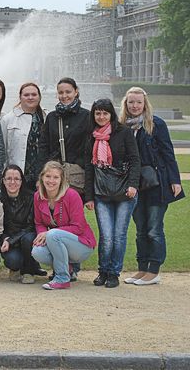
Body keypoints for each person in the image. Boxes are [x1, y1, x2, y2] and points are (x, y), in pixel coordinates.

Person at [119, 87, 185, 285]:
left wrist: (175, 180)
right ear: (126, 104)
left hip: (157, 183)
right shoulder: (123, 126)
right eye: (131, 102)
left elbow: (168, 153)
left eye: (139, 102)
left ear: (145, 104)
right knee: (140, 229)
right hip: (134, 184)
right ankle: (142, 268)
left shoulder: (156, 124)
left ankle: (154, 270)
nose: (135, 106)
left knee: (154, 229)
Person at [84, 99, 140, 288]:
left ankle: (114, 272)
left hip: (125, 191)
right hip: (102, 193)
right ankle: (103, 271)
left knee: (118, 235)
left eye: (105, 113)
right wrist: (89, 197)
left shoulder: (122, 132)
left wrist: (133, 185)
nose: (101, 117)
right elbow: (89, 168)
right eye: (97, 113)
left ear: (111, 115)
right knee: (106, 235)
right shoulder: (91, 135)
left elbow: (134, 159)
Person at [32, 161, 97, 290]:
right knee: (37, 252)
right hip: (58, 240)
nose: (51, 181)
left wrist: (49, 233)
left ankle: (62, 278)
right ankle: (67, 268)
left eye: (56, 177)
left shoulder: (72, 195)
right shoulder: (37, 196)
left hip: (82, 245)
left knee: (53, 234)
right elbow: (39, 222)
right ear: (42, 177)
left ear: (62, 180)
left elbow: (78, 227)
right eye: (48, 176)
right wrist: (41, 234)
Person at [38, 77, 89, 194]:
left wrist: (79, 165)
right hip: (53, 175)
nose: (64, 96)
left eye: (68, 92)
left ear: (76, 92)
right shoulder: (51, 117)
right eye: (61, 92)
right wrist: (41, 172)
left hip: (76, 175)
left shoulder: (86, 116)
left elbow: (89, 148)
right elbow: (44, 146)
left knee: (73, 210)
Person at [0, 165, 44, 284]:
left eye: (16, 179)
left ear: (21, 181)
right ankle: (16, 268)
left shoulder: (31, 198)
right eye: (8, 179)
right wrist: (5, 239)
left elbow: (30, 226)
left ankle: (28, 270)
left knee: (28, 238)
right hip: (8, 240)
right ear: (3, 181)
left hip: (26, 238)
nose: (12, 182)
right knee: (13, 261)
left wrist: (11, 240)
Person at [0, 82, 46, 189]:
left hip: (41, 173)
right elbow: (2, 149)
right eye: (26, 95)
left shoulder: (46, 117)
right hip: (17, 173)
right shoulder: (8, 119)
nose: (30, 97)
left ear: (39, 97)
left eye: (34, 95)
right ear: (20, 97)